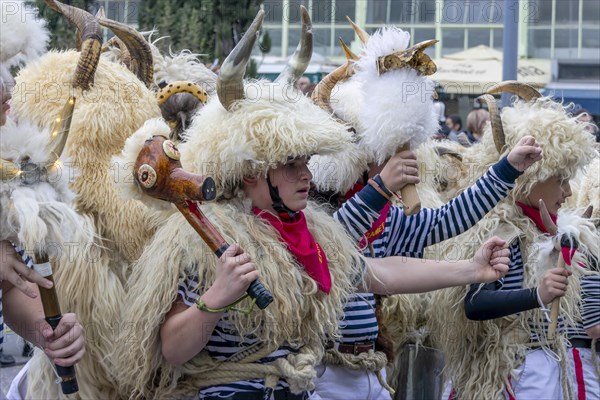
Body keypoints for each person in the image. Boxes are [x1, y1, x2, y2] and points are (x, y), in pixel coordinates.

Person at [113, 13, 511, 400]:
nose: (306, 174)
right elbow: (172, 349)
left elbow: (380, 272)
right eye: (291, 164)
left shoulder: (312, 231)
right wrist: (216, 297)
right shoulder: (198, 240)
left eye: (305, 161)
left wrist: (471, 270)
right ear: (251, 170)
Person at [307, 26, 543, 400]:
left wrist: (507, 169)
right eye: (379, 153)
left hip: (372, 368)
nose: (389, 160)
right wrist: (381, 186)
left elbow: (447, 220)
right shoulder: (310, 213)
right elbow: (335, 244)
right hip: (319, 372)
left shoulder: (389, 217)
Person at [429, 84, 599, 399]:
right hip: (510, 372)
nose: (566, 192)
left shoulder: (547, 229)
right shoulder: (500, 230)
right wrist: (537, 294)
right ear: (530, 178)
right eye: (559, 179)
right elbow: (476, 304)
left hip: (547, 366)